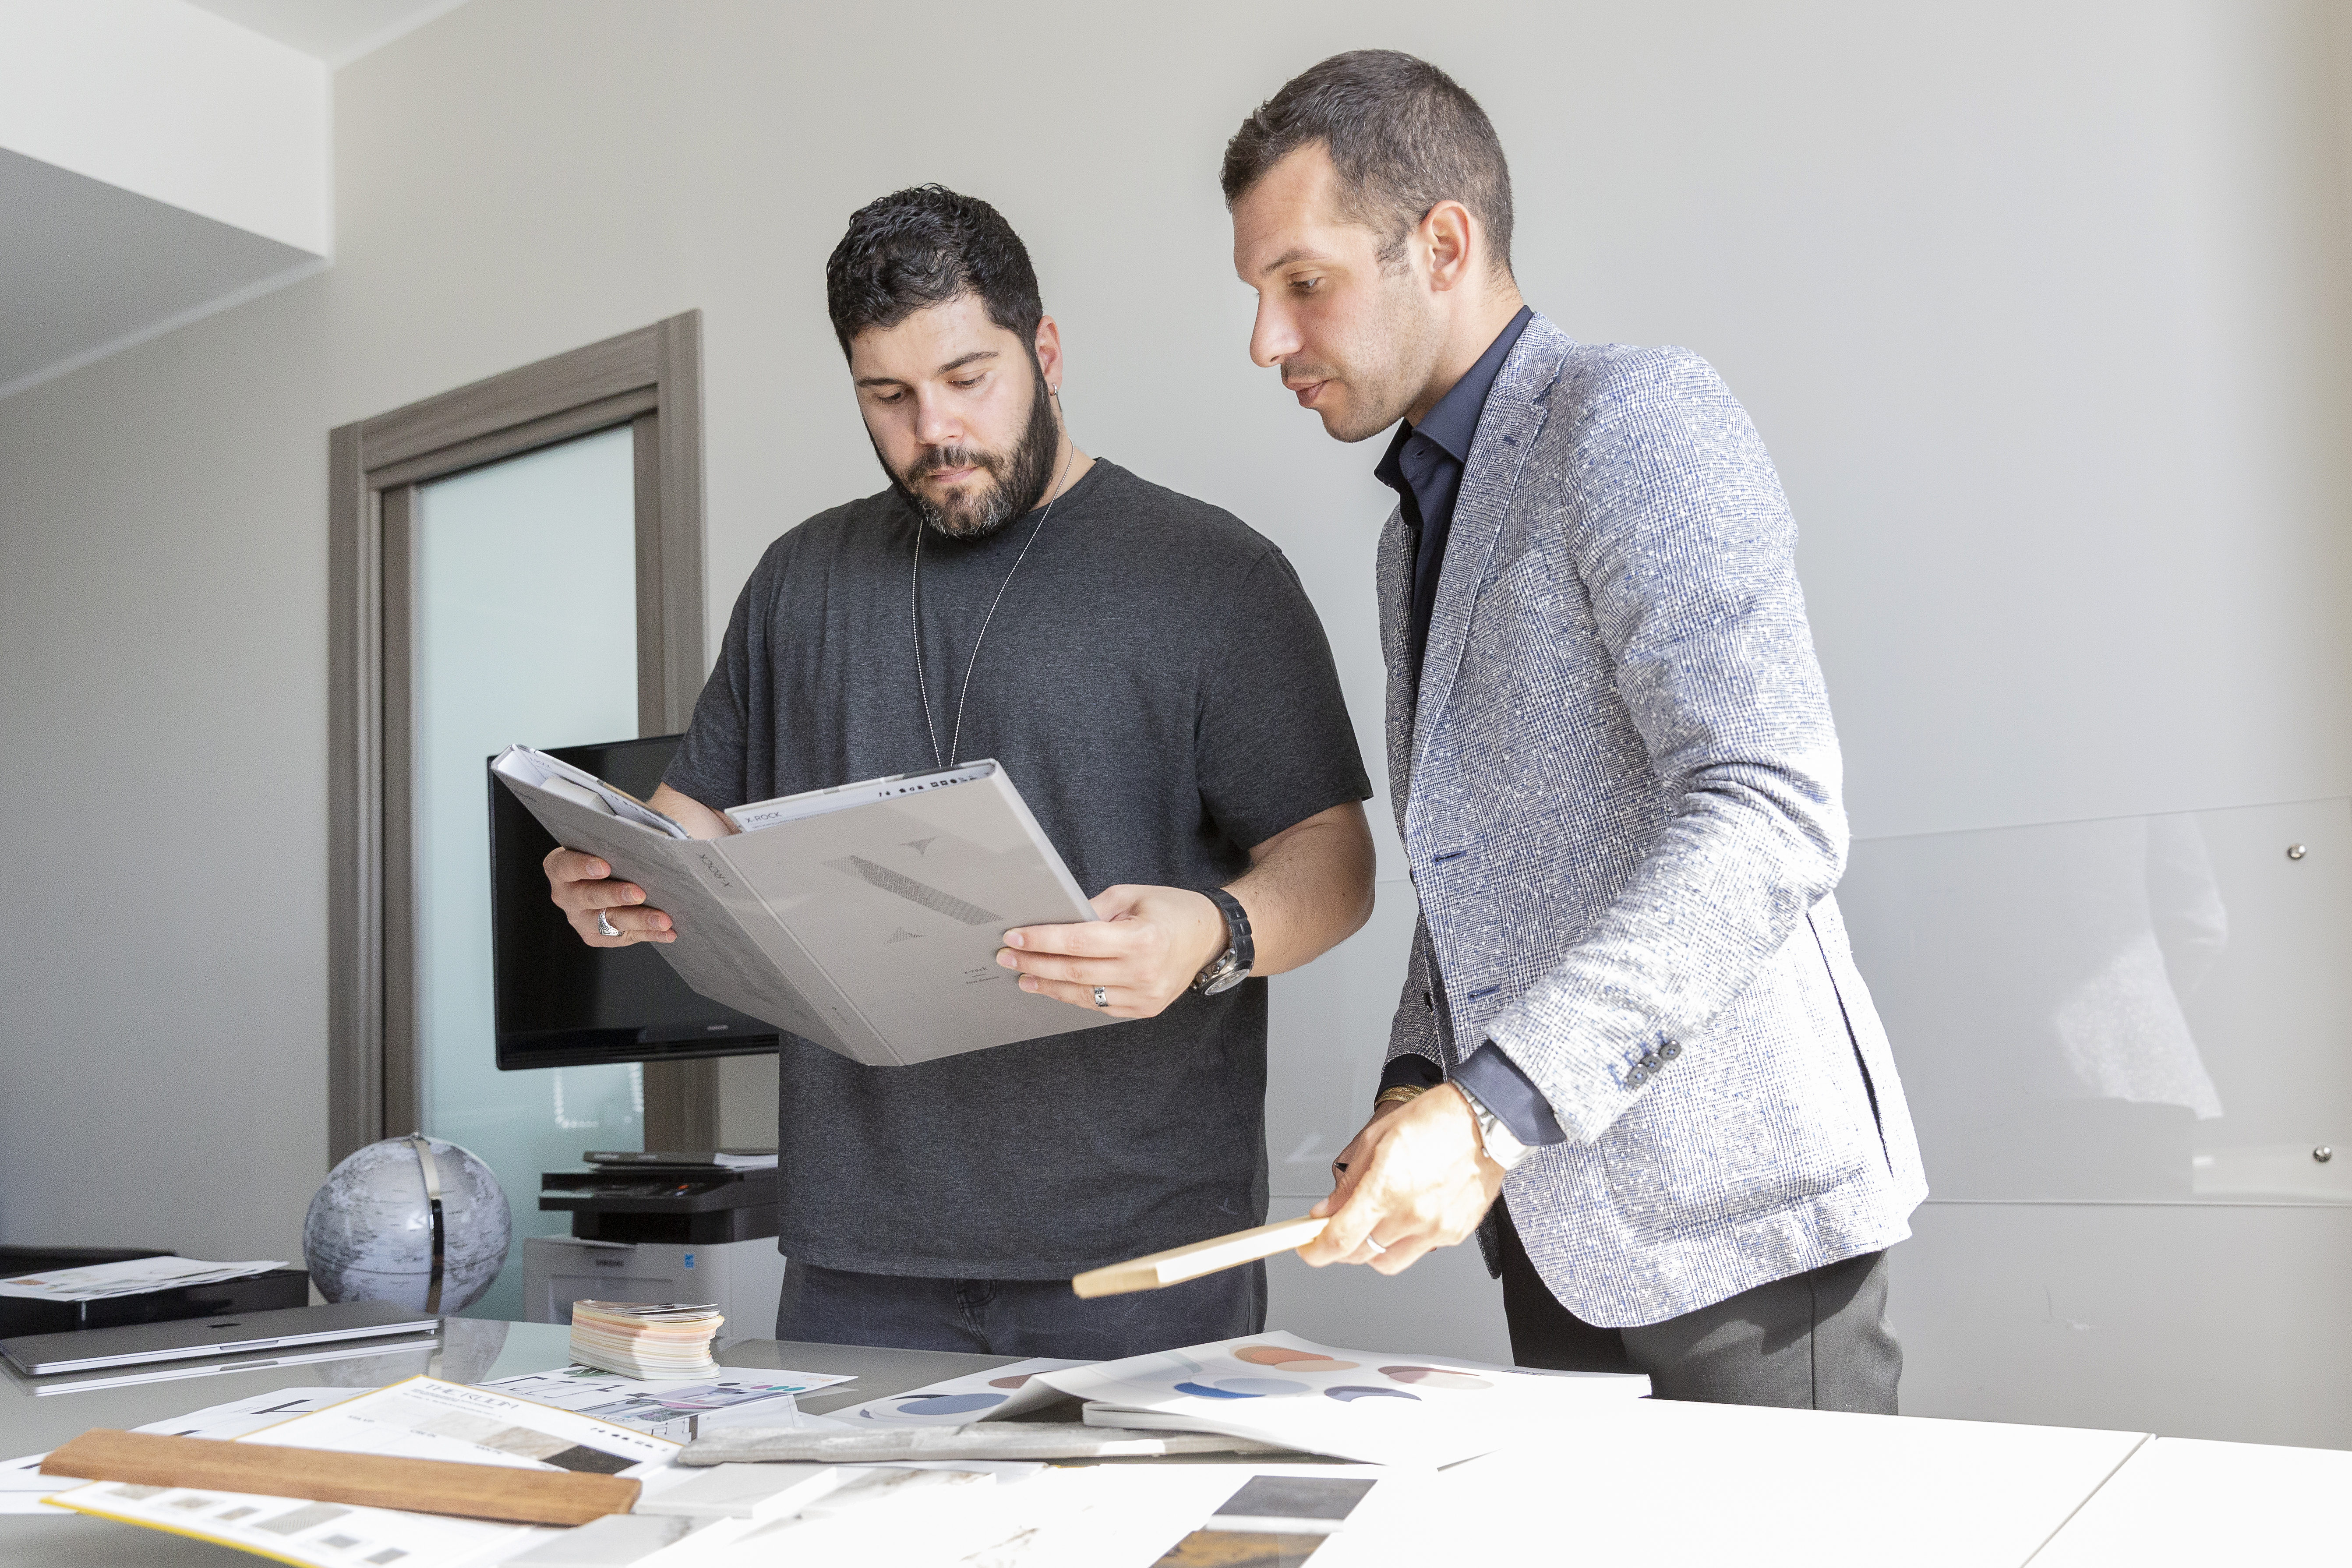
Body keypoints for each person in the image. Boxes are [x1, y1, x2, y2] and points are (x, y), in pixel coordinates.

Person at [543, 185, 1376, 1359]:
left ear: (1044, 350)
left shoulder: (1213, 577)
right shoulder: (798, 580)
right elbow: (693, 821)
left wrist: (1213, 932)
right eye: (887, 397)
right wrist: (617, 874)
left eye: (968, 379)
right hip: (854, 1253)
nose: (932, 430)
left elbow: (1334, 864)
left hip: (1136, 1254)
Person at [1222, 52, 1928, 1409]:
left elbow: (1767, 804)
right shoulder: (1406, 538)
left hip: (1741, 1232)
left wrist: (1488, 1110)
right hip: (1555, 1235)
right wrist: (1417, 1079)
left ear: (1443, 243)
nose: (1266, 340)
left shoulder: (1633, 417)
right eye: (1255, 296)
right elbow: (1474, 859)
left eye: (1300, 283)